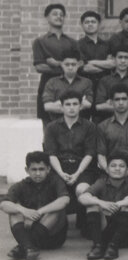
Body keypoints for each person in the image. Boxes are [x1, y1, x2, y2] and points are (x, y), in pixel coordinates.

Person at [42, 90, 99, 230]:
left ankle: (84, 223)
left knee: (82, 189)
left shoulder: (89, 127)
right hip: (59, 168)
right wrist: (61, 173)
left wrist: (77, 173)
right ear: (61, 107)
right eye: (68, 104)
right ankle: (59, 225)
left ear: (80, 106)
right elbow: (51, 153)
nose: (71, 107)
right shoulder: (52, 127)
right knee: (56, 191)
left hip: (83, 168)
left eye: (75, 104)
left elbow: (90, 153)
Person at [2, 151, 70, 260]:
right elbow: (4, 204)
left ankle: (23, 247)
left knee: (57, 209)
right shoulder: (21, 185)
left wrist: (39, 212)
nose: (38, 173)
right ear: (27, 170)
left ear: (48, 169)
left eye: (41, 169)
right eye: (34, 169)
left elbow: (65, 200)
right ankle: (29, 247)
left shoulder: (55, 181)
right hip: (30, 232)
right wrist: (24, 211)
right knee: (15, 211)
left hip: (53, 238)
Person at [96, 83, 128, 187]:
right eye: (117, 99)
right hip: (109, 173)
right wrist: (110, 171)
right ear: (111, 102)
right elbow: (101, 154)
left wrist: (126, 172)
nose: (121, 102)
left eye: (124, 99)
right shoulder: (102, 126)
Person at [33, 3, 78, 119]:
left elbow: (79, 63)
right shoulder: (40, 41)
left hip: (69, 86)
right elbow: (39, 67)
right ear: (47, 17)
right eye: (55, 14)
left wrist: (55, 64)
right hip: (47, 86)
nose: (59, 17)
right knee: (48, 126)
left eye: (61, 15)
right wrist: (65, 67)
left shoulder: (72, 42)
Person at [42, 50, 94, 121]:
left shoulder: (86, 82)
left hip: (81, 126)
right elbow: (47, 106)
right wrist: (77, 104)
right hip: (58, 125)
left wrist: (59, 103)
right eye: (67, 64)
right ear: (61, 64)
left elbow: (88, 104)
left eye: (73, 64)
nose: (70, 67)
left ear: (78, 64)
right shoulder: (52, 82)